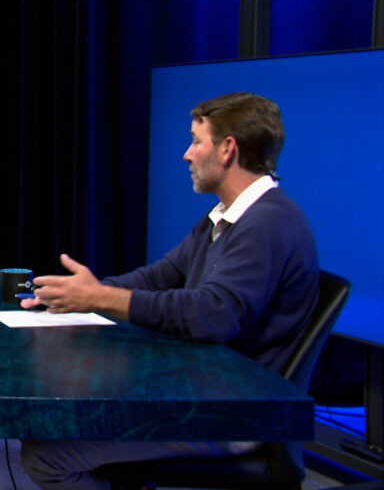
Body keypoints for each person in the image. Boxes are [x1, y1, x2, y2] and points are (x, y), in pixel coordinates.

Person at [18, 92, 319, 490]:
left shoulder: (268, 223)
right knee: (50, 425)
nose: (187, 155)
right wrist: (80, 293)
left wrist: (99, 299)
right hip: (205, 390)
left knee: (46, 455)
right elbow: (159, 276)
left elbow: (213, 314)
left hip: (234, 414)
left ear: (228, 149)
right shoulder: (225, 216)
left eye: (196, 141)